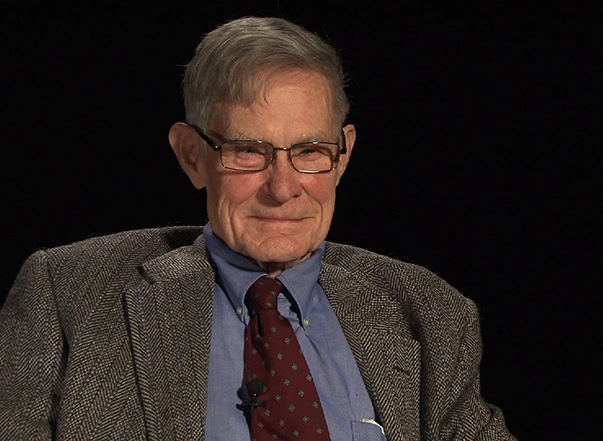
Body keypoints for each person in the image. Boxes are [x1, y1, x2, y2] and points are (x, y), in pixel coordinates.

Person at [0, 16, 516, 441]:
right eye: (249, 152)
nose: (283, 187)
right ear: (191, 155)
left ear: (344, 156)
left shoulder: (429, 312)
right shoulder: (69, 294)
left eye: (310, 152)